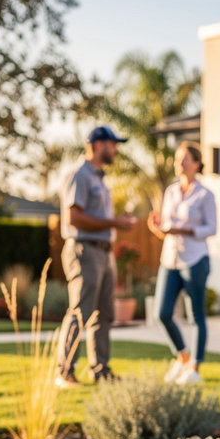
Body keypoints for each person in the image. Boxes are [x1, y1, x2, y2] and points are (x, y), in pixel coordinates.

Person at [55, 125, 138, 387]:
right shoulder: (80, 176)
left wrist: (114, 224)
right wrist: (114, 223)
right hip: (84, 250)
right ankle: (64, 372)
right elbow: (74, 218)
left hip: (103, 252)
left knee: (104, 314)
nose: (116, 150)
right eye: (114, 145)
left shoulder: (99, 179)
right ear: (100, 145)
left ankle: (100, 370)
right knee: (80, 311)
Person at [148, 142, 217, 384]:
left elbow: (212, 227)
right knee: (162, 313)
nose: (179, 163)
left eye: (185, 159)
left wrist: (185, 229)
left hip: (195, 260)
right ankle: (183, 357)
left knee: (196, 316)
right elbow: (167, 227)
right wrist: (157, 227)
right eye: (177, 159)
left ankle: (195, 369)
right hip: (170, 260)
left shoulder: (205, 195)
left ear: (196, 163)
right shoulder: (171, 192)